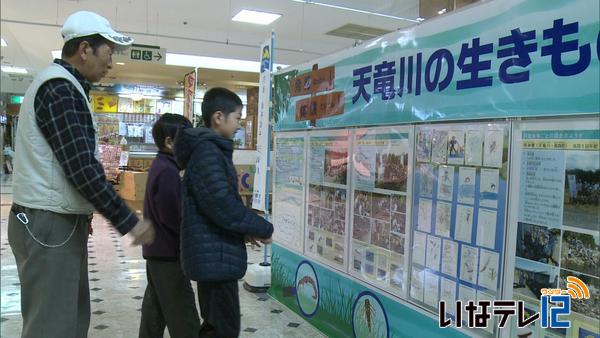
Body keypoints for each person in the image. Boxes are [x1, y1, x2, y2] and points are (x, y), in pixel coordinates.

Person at [8, 11, 154, 338]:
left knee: (71, 320)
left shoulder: (67, 86)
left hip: (53, 223)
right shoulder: (60, 88)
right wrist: (128, 220)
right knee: (52, 326)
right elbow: (81, 169)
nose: (111, 62)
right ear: (85, 49)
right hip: (47, 225)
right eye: (109, 52)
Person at [174, 87, 274, 338]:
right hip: (215, 257)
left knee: (217, 325)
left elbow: (218, 205)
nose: (239, 125)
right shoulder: (208, 153)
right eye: (238, 118)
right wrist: (261, 227)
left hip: (215, 254)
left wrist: (243, 231)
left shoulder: (209, 151)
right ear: (219, 117)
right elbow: (222, 206)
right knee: (222, 328)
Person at [139, 114, 200, 337]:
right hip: (168, 255)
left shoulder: (163, 165)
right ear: (169, 142)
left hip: (158, 252)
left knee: (154, 314)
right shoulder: (167, 171)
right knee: (183, 316)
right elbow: (173, 217)